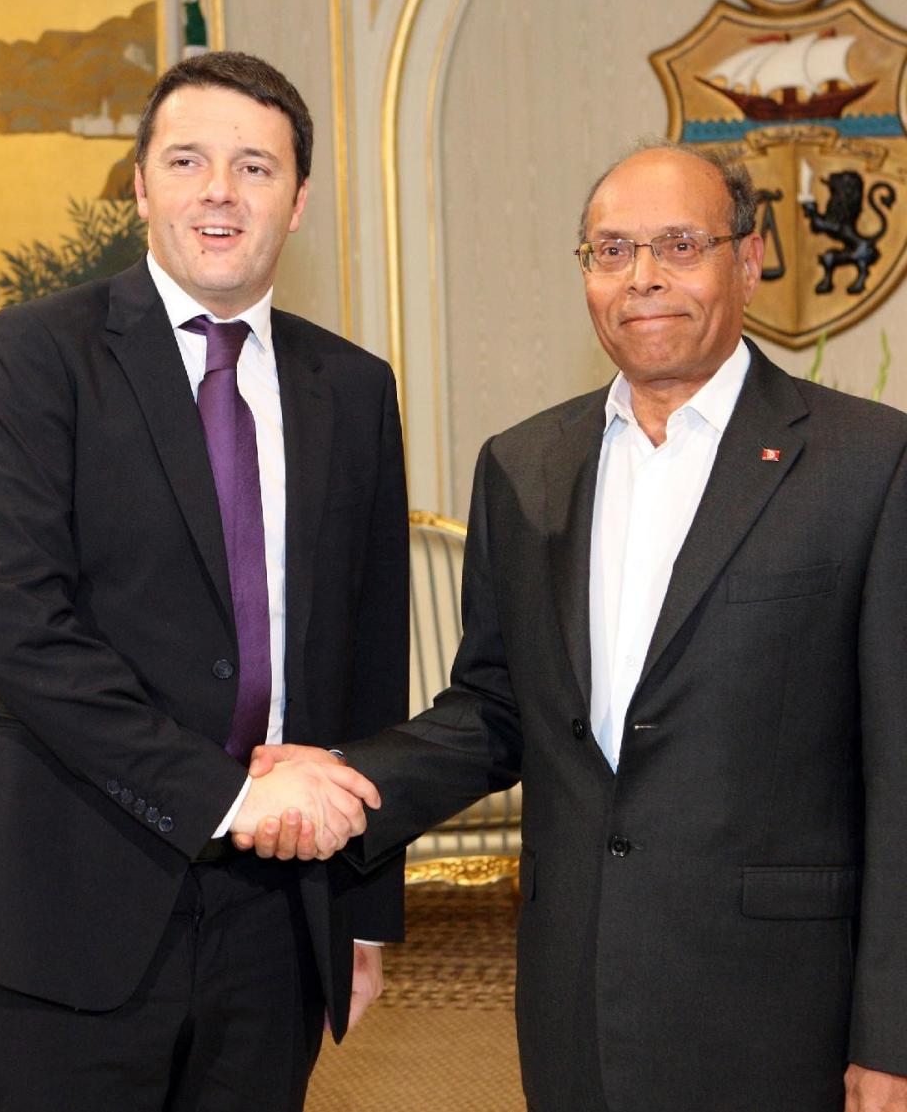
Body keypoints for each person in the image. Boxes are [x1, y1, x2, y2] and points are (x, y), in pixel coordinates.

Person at [249, 143, 907, 1111]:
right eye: (612, 251)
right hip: (576, 990)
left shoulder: (868, 464)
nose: (643, 279)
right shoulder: (525, 467)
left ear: (751, 257)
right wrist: (342, 779)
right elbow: (495, 711)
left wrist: (890, 1039)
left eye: (681, 246)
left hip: (786, 1007)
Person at [0, 50, 409, 1111]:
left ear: (298, 200)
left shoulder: (353, 387)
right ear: (142, 184)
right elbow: (23, 635)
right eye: (188, 160)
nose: (219, 191)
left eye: (255, 167)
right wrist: (235, 792)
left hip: (274, 921)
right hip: (66, 907)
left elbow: (368, 651)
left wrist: (365, 908)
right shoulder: (38, 355)